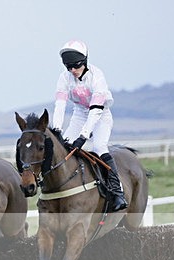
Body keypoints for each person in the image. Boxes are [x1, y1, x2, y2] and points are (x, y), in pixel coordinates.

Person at [51, 39, 127, 212]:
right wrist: (57, 130)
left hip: (100, 115)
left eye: (76, 66)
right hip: (79, 114)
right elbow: (60, 105)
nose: (73, 70)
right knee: (64, 148)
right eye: (68, 67)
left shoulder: (97, 76)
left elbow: (95, 111)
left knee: (99, 147)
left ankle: (117, 191)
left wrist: (83, 136)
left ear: (84, 61)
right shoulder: (64, 78)